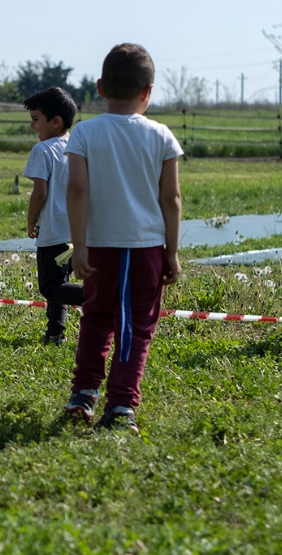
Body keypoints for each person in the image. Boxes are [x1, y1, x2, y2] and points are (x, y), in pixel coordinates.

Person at [62, 43, 182, 434]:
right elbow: (172, 199)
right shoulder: (161, 135)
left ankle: (82, 393)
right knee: (135, 326)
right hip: (146, 247)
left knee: (95, 318)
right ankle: (120, 406)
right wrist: (173, 252)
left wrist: (79, 246)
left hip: (98, 247)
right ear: (148, 91)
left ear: (100, 86)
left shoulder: (83, 133)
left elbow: (77, 191)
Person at [23, 87, 85, 345]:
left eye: (36, 119)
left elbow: (39, 193)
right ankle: (55, 333)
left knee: (50, 286)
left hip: (55, 231)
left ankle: (103, 296)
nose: (32, 126)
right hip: (79, 231)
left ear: (56, 121)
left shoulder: (43, 150)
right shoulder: (79, 147)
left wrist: (30, 221)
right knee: (61, 282)